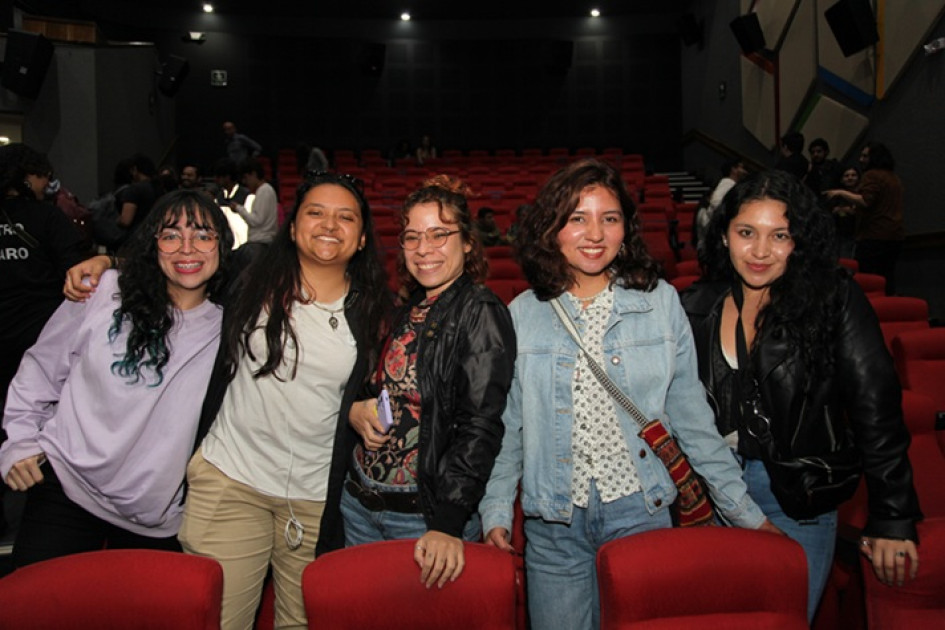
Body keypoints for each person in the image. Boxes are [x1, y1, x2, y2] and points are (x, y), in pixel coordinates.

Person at [479, 159, 779, 630]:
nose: (595, 234)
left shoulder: (659, 303)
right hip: (554, 523)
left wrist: (744, 513)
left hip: (641, 511)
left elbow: (693, 419)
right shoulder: (522, 313)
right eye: (577, 218)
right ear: (551, 229)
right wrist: (496, 510)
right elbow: (509, 428)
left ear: (626, 228)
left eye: (610, 218)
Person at [681, 169, 921, 620]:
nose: (760, 251)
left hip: (797, 496)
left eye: (780, 235)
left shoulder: (833, 300)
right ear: (724, 235)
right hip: (711, 493)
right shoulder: (695, 304)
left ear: (800, 241)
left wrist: (893, 516)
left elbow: (876, 411)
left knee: (781, 621)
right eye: (746, 232)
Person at [179, 172, 391, 629]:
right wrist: (105, 265)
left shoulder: (375, 310)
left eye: (345, 217)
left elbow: (374, 390)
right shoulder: (250, 275)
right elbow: (179, 270)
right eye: (316, 213)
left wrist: (355, 409)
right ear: (292, 228)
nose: (329, 225)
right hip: (232, 480)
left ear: (361, 239)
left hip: (315, 499)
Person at [1, 189, 233, 567]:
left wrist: (108, 258)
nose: (187, 248)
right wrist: (19, 443)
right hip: (65, 486)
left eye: (203, 235)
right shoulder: (104, 291)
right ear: (153, 244)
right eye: (171, 235)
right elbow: (40, 369)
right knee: (34, 600)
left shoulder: (232, 324)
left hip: (154, 516)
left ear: (222, 245)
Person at [343, 176, 515, 589]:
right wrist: (355, 410)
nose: (424, 249)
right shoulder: (408, 308)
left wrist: (448, 522)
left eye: (439, 235)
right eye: (412, 237)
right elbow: (381, 391)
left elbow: (480, 426)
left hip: (421, 519)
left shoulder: (481, 311)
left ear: (467, 242)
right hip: (360, 504)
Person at [0, 143, 86, 537]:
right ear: (27, 176)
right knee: (39, 426)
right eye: (41, 176)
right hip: (39, 341)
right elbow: (79, 273)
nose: (45, 184)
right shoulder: (48, 218)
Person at [824, 142, 904, 294]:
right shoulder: (894, 178)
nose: (861, 159)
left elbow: (866, 201)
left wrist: (840, 192)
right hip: (895, 235)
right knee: (887, 278)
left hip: (874, 234)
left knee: (868, 280)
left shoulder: (872, 175)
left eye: (865, 156)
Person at [229, 158, 279, 270]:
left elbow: (257, 221)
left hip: (260, 243)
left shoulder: (264, 191)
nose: (245, 182)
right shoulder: (266, 190)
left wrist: (238, 208)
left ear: (253, 174)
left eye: (246, 178)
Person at [697, 158, 747, 246]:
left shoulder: (729, 183)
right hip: (713, 227)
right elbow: (715, 201)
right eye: (741, 167)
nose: (744, 171)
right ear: (733, 169)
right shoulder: (728, 183)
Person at [211, 158, 250, 250]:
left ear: (227, 177)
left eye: (219, 177)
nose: (216, 180)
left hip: (244, 246)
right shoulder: (218, 198)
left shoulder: (247, 196)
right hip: (225, 246)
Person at [829, 165, 860, 259]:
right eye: (846, 176)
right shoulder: (836, 196)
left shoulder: (861, 196)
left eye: (853, 175)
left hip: (856, 234)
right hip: (838, 233)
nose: (850, 178)